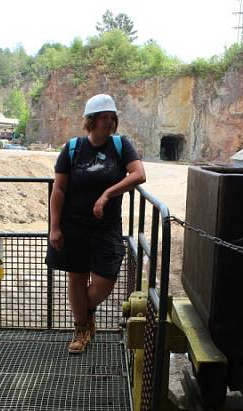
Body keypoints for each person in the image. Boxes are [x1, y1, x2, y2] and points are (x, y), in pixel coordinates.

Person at [46, 94, 146, 354]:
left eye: (112, 117)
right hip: (74, 226)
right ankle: (81, 329)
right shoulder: (72, 149)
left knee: (106, 278)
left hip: (107, 227)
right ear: (91, 120)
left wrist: (107, 194)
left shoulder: (121, 145)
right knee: (75, 279)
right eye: (104, 117)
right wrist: (54, 227)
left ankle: (85, 312)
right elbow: (58, 190)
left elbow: (139, 174)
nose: (109, 122)